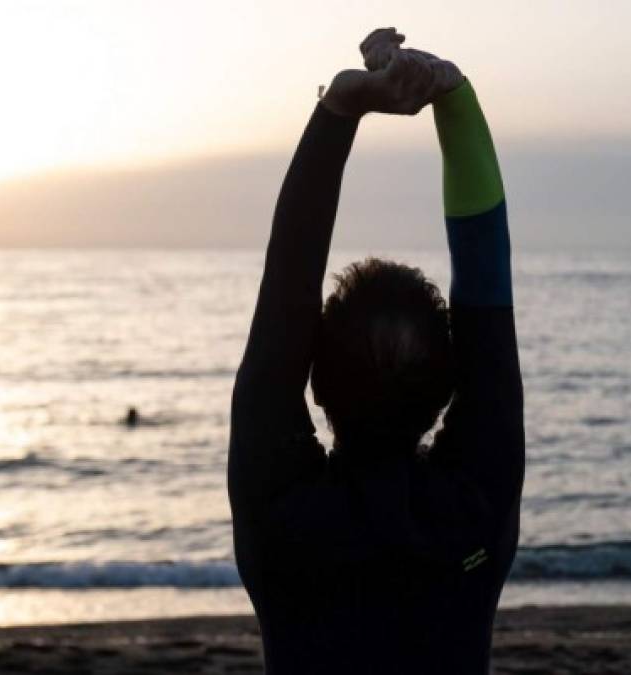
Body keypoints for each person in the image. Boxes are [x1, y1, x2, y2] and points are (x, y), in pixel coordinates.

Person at [228, 28, 524, 674]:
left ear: (317, 379)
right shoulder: (473, 509)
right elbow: (487, 306)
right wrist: (451, 95)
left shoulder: (282, 517)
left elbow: (284, 299)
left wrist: (342, 107)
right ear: (448, 382)